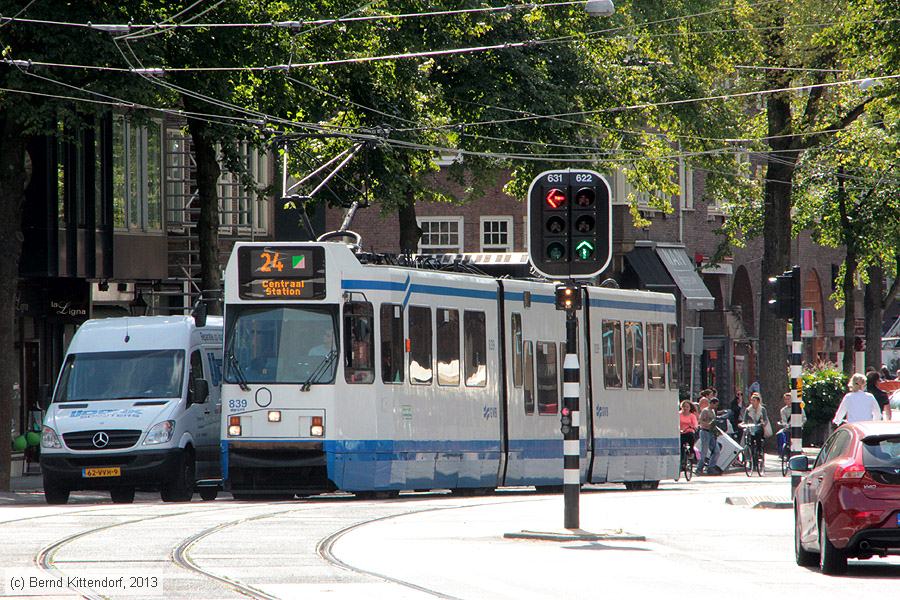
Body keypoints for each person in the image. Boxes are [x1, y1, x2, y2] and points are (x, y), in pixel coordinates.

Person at [741, 392, 769, 469]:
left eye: (754, 400)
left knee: (758, 436)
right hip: (751, 428)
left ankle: (759, 452)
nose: (752, 402)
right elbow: (745, 420)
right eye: (751, 400)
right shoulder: (748, 410)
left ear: (758, 401)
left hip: (759, 428)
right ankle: (749, 458)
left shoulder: (762, 409)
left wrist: (763, 423)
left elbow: (765, 420)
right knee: (748, 441)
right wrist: (741, 424)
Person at [697, 397, 721, 474]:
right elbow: (700, 420)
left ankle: (711, 467)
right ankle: (699, 468)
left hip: (711, 433)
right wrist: (707, 424)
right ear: (712, 403)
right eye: (715, 405)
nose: (716, 407)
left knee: (716, 450)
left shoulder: (713, 411)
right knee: (704, 451)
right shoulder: (705, 411)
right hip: (705, 432)